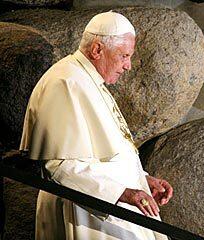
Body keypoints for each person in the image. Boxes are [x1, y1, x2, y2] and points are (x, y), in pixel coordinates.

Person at [19, 11, 173, 240]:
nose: (128, 66)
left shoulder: (90, 82)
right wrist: (124, 193)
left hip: (109, 207)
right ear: (97, 49)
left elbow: (110, 152)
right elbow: (59, 167)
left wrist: (143, 179)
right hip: (86, 212)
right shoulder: (65, 82)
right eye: (124, 56)